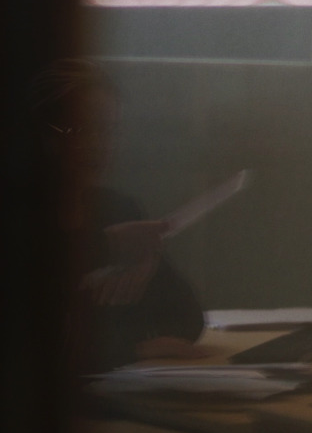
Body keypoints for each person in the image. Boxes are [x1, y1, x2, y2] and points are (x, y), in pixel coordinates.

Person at [29, 59, 208, 372]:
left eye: (108, 130)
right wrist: (136, 349)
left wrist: (149, 265)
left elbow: (188, 320)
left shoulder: (117, 209)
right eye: (81, 128)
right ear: (43, 133)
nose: (98, 145)